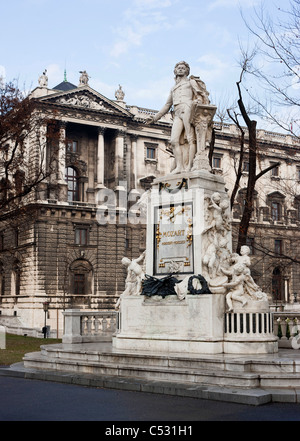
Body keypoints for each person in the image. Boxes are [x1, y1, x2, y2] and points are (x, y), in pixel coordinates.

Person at [146, 61, 210, 173]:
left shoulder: (191, 82)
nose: (180, 69)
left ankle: (189, 166)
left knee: (190, 138)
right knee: (174, 140)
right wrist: (155, 118)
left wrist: (198, 101)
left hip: (187, 108)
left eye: (183, 68)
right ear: (175, 71)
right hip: (177, 112)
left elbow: (200, 94)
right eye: (178, 68)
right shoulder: (173, 88)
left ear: (187, 71)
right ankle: (179, 166)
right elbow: (167, 105)